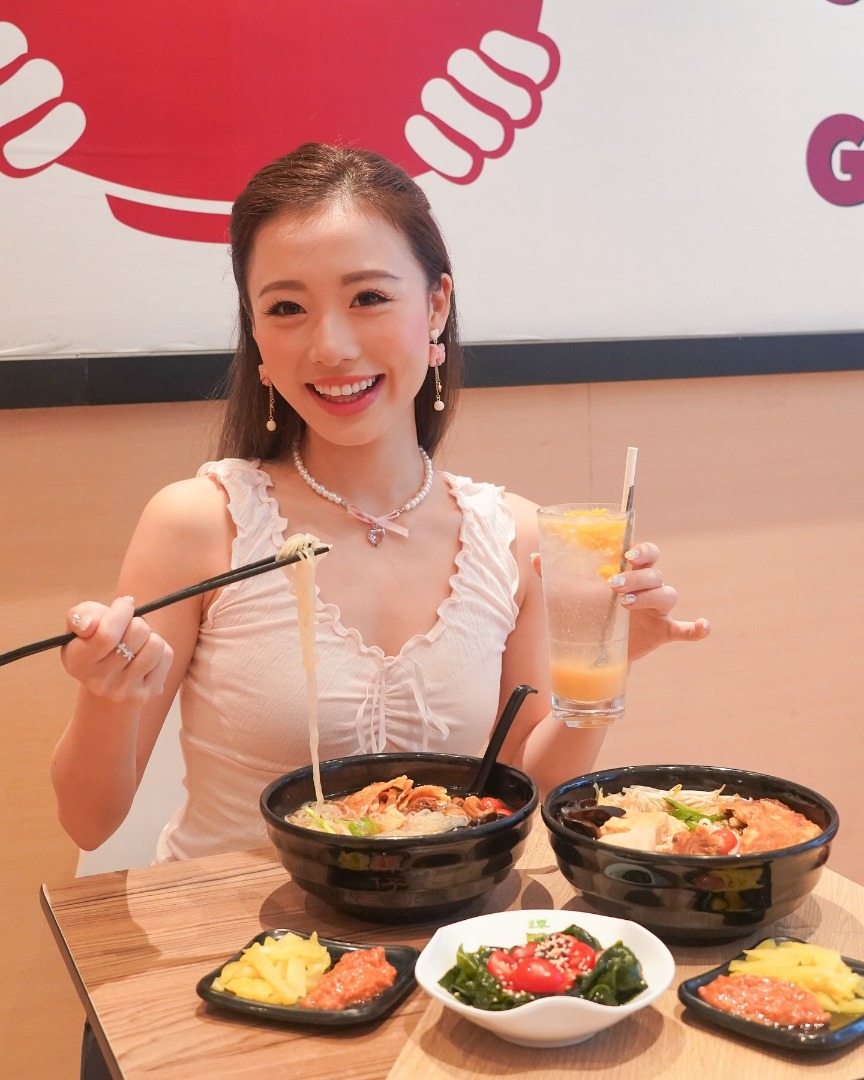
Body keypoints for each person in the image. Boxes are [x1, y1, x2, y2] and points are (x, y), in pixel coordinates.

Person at [51, 142, 710, 864]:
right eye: (287, 308)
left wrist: (604, 664)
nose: (331, 346)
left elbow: (527, 790)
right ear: (257, 336)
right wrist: (107, 692)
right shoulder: (200, 523)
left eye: (368, 298)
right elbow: (89, 822)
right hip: (237, 929)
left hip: (445, 921)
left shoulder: (513, 535)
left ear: (436, 306)